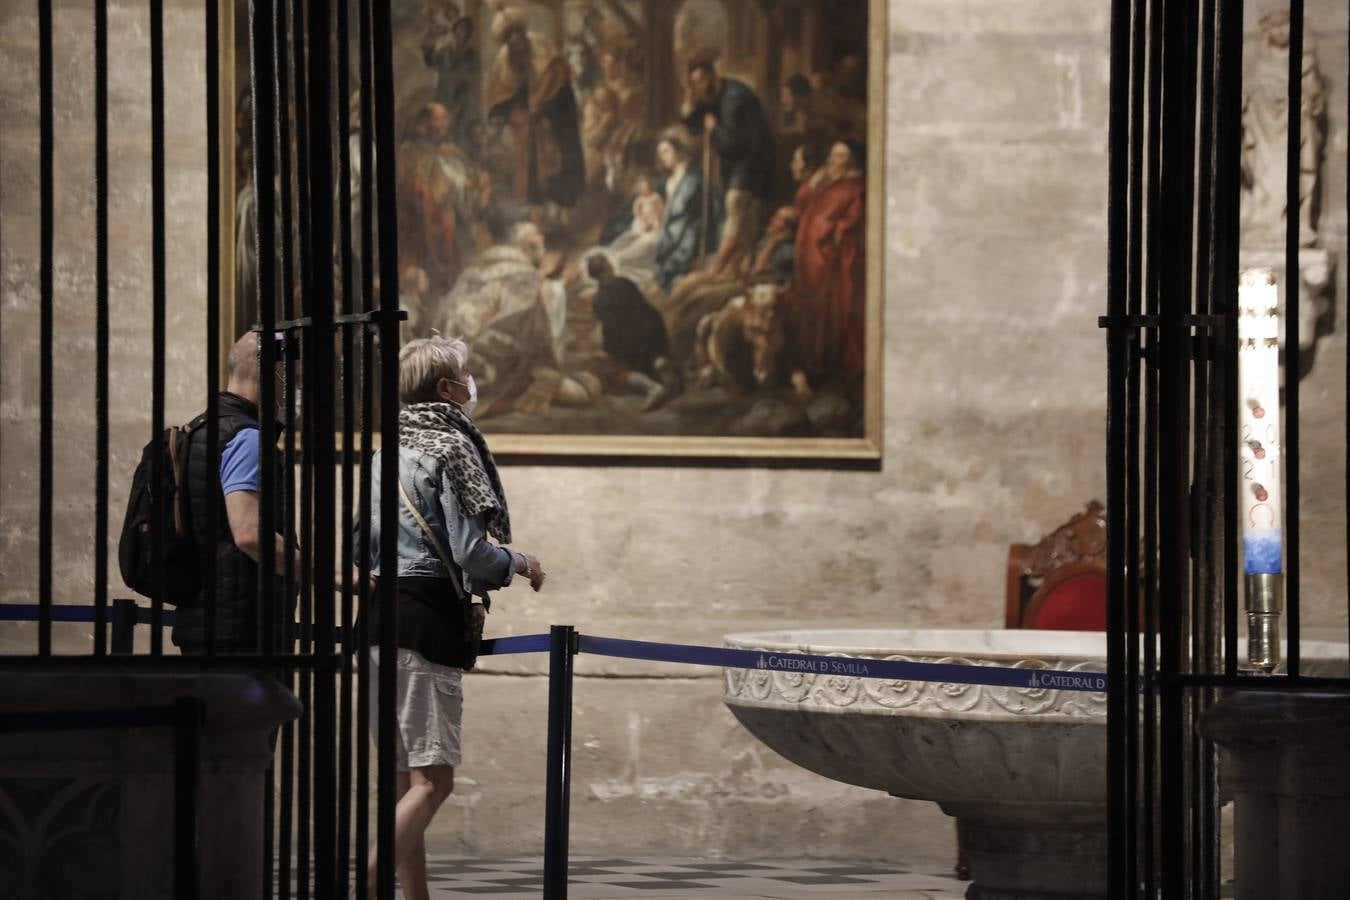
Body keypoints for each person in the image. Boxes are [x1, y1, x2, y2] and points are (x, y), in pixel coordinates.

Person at [355, 334, 546, 900]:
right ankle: (364, 886)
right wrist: (521, 561)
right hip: (425, 623)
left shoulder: (383, 452)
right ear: (446, 389)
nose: (471, 386)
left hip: (377, 622)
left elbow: (361, 548)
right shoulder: (451, 450)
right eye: (465, 376)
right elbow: (470, 553)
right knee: (434, 782)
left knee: (402, 785)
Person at [173, 331, 298, 655]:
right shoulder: (246, 438)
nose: (293, 390)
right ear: (273, 373)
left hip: (206, 618)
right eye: (291, 378)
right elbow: (249, 534)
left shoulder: (201, 427)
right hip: (241, 630)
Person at [434, 221, 589, 415]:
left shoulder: (479, 267)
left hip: (451, 356)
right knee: (575, 394)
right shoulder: (523, 275)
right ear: (526, 245)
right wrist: (548, 368)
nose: (542, 239)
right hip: (488, 364)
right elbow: (531, 331)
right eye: (537, 237)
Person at [682, 57, 776, 280]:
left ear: (714, 76)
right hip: (736, 161)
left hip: (754, 158)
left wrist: (714, 129)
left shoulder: (735, 97)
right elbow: (694, 126)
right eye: (695, 82)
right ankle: (739, 265)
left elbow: (735, 143)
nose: (700, 86)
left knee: (736, 203)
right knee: (744, 213)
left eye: (703, 80)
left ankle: (720, 263)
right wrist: (689, 99)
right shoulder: (711, 94)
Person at [484, 6, 585, 209]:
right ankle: (534, 197)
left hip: (558, 104)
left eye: (518, 34)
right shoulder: (504, 60)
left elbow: (557, 78)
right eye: (509, 37)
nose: (516, 40)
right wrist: (514, 111)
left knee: (565, 145)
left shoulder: (541, 46)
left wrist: (542, 106)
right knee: (527, 149)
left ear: (523, 32)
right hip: (529, 111)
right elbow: (500, 96)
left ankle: (566, 195)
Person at [790, 140, 866, 393]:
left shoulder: (857, 187)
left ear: (851, 160)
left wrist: (832, 236)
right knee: (808, 308)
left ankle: (826, 366)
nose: (834, 160)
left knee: (827, 311)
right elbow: (800, 208)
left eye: (840, 156)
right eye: (832, 155)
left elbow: (853, 221)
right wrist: (813, 183)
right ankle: (810, 361)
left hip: (830, 260)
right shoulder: (825, 184)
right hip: (808, 259)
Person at [586, 253, 677, 411]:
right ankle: (659, 362)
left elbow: (612, 331)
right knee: (651, 353)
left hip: (633, 346)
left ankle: (653, 388)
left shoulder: (600, 299)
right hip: (655, 333)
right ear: (608, 268)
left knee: (611, 372)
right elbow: (647, 311)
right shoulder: (625, 283)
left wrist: (607, 351)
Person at [652, 132, 721, 293]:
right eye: (660, 154)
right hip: (672, 228)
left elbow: (692, 207)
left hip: (689, 228)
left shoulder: (692, 176)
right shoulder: (669, 180)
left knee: (675, 259)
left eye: (666, 151)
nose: (663, 157)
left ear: (677, 150)